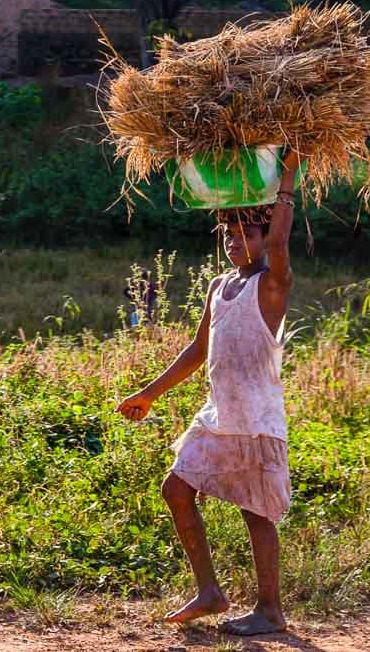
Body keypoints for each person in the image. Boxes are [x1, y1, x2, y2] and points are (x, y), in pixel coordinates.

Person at [115, 150, 302, 636]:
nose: (236, 242)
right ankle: (210, 592)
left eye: (247, 234)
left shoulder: (272, 284)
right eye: (228, 235)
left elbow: (281, 242)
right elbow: (199, 350)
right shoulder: (220, 286)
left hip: (255, 420)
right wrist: (149, 393)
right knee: (176, 489)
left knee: (256, 513)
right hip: (219, 415)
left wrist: (287, 179)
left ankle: (269, 610)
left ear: (264, 239)